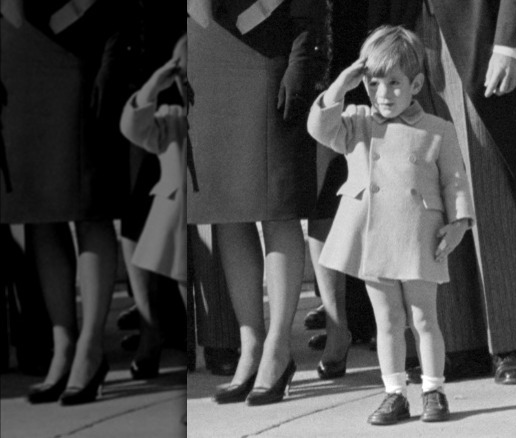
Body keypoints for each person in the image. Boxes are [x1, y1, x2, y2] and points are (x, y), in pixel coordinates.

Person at [307, 26, 474, 425]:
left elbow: (455, 182)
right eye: (373, 82)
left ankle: (434, 390)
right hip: (372, 238)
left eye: (395, 83)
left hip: (419, 237)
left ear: (415, 84)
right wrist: (339, 87)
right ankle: (394, 392)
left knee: (424, 319)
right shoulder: (356, 122)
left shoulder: (438, 130)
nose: (383, 93)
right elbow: (319, 128)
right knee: (388, 322)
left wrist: (459, 224)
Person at [186, 0, 328, 405]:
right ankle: (251, 346)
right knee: (228, 211)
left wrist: (303, 62)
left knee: (275, 206)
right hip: (203, 53)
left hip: (266, 51)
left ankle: (278, 348)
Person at [2, 0, 136, 405]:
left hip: (76, 47)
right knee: (40, 213)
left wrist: (112, 64)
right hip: (14, 51)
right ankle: (63, 346)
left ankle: (90, 348)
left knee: (87, 206)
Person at [119, 34, 189, 378]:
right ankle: (152, 333)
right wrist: (152, 86)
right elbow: (133, 127)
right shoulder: (171, 116)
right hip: (171, 218)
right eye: (183, 76)